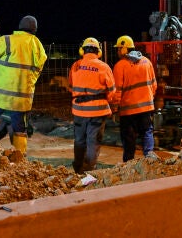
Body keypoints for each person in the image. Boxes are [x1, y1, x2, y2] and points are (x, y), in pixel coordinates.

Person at [0, 15, 47, 157]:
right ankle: (19, 159)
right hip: (21, 99)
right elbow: (35, 74)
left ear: (20, 27)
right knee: (20, 130)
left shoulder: (9, 40)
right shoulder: (39, 48)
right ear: (35, 29)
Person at [68, 37, 117, 173]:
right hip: (98, 111)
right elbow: (112, 91)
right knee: (93, 140)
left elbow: (71, 87)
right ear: (98, 51)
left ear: (82, 50)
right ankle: (89, 169)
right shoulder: (104, 67)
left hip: (79, 111)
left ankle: (78, 167)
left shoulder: (75, 65)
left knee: (79, 140)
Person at [112, 35, 158, 161]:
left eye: (118, 49)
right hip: (146, 107)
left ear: (123, 49)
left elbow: (117, 91)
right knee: (147, 132)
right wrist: (148, 100)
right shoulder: (147, 62)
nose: (117, 51)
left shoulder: (120, 66)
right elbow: (154, 85)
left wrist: (115, 109)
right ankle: (150, 159)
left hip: (128, 111)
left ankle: (129, 163)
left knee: (129, 137)